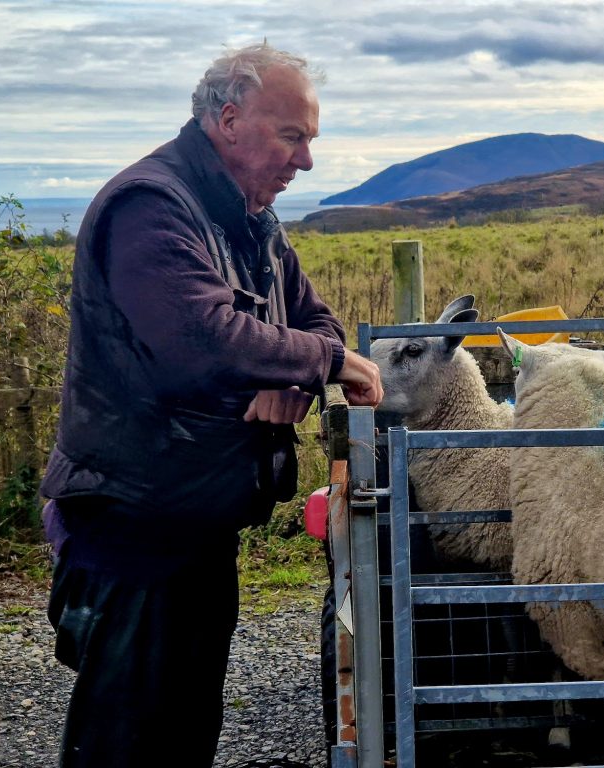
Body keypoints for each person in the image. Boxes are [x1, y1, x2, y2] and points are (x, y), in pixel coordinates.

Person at [39, 42, 383, 768]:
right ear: (229, 120)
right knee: (126, 741)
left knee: (184, 731)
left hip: (197, 522)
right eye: (293, 136)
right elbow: (197, 338)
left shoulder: (252, 219)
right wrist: (324, 365)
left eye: (309, 140)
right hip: (131, 527)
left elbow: (315, 323)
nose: (306, 162)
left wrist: (291, 374)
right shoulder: (151, 207)